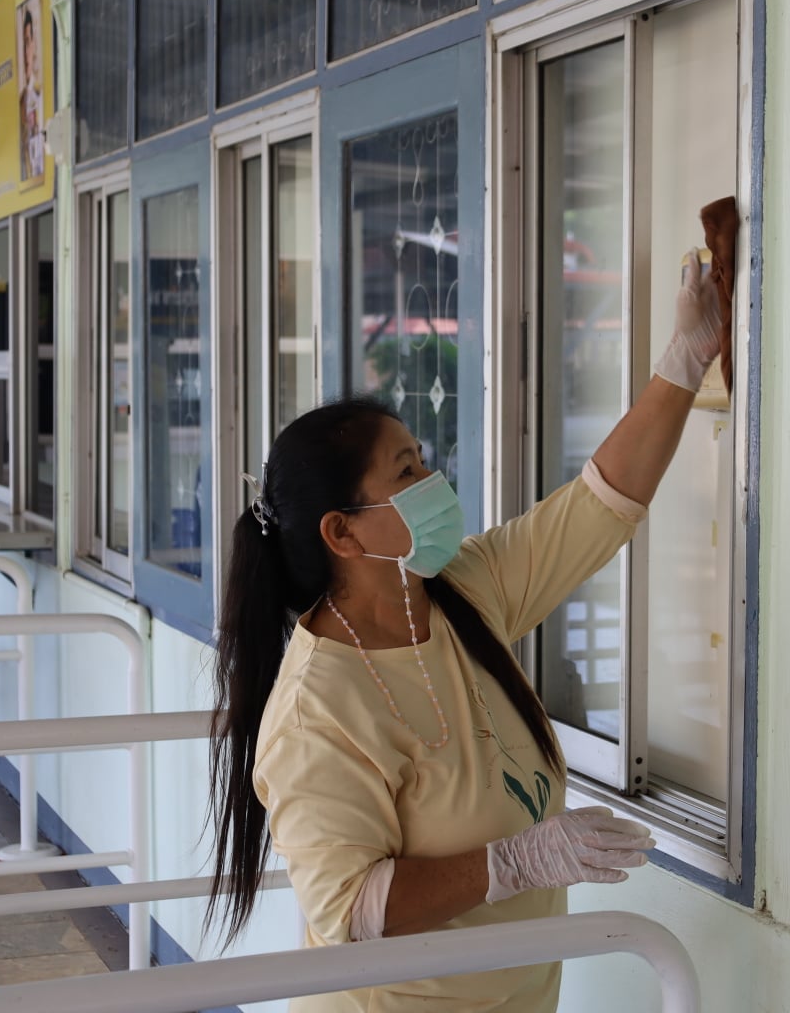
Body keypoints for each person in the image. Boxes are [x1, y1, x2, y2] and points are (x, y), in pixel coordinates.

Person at [208, 251, 728, 1011]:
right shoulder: (315, 712)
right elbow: (350, 913)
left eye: (422, 460)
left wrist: (685, 359)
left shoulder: (460, 596)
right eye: (407, 472)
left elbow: (598, 507)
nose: (434, 483)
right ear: (342, 536)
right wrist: (517, 861)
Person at [17, 5, 44, 181]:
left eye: (28, 42)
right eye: (23, 44)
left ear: (33, 45)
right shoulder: (21, 102)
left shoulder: (40, 94)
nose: (26, 52)